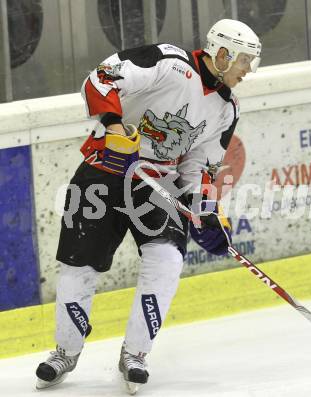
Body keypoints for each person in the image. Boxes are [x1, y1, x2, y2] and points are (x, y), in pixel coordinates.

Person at [35, 19, 261, 394]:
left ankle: (135, 353)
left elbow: (198, 165)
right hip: (103, 171)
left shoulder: (226, 108)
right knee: (79, 263)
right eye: (243, 61)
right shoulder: (167, 63)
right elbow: (100, 79)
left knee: (167, 259)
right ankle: (66, 351)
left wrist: (205, 211)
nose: (247, 70)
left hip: (159, 183)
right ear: (223, 53)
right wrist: (113, 126)